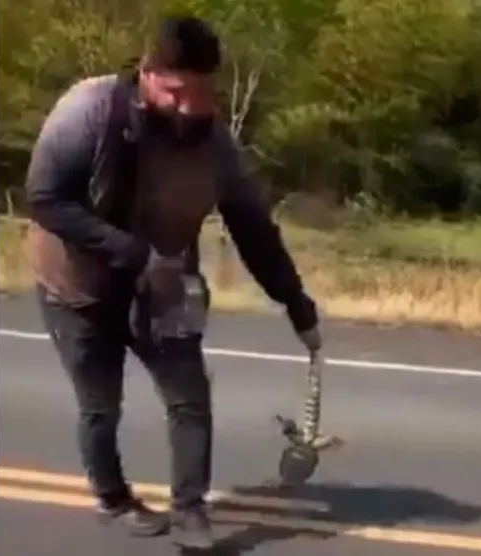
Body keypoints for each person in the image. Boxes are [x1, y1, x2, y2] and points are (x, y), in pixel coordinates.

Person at [22, 15, 322, 549]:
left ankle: (190, 511)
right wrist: (132, 252)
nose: (190, 107)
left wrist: (295, 301)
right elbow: (45, 200)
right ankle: (113, 497)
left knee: (189, 398)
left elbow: (255, 231)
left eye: (204, 92)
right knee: (101, 406)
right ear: (148, 74)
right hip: (75, 286)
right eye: (178, 92)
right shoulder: (89, 109)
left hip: (164, 288)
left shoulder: (219, 150)